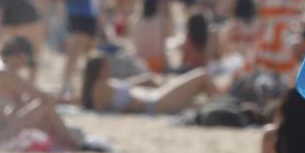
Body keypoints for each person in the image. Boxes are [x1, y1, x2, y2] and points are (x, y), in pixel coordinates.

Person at [0, 36, 84, 152]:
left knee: (39, 111)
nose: (25, 64)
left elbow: (21, 102)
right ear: (21, 56)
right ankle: (75, 146)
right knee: (45, 108)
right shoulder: (4, 73)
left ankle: (69, 140)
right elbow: (42, 97)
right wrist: (69, 100)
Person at [78, 51, 214, 116]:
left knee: (199, 94)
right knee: (202, 76)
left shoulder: (106, 83)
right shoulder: (99, 87)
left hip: (155, 97)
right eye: (105, 66)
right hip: (154, 102)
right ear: (97, 70)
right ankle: (225, 104)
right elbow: (102, 109)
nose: (109, 68)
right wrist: (128, 109)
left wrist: (146, 80)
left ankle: (223, 103)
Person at [130, 0, 169, 74]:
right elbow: (169, 36)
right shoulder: (161, 22)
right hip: (157, 64)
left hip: (139, 64)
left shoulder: (135, 22)